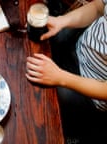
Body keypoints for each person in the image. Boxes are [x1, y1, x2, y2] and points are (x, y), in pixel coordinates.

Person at [26, 0, 107, 143]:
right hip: (80, 46)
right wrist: (61, 21)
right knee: (37, 41)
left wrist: (60, 77)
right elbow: (98, 8)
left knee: (39, 96)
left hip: (92, 91)